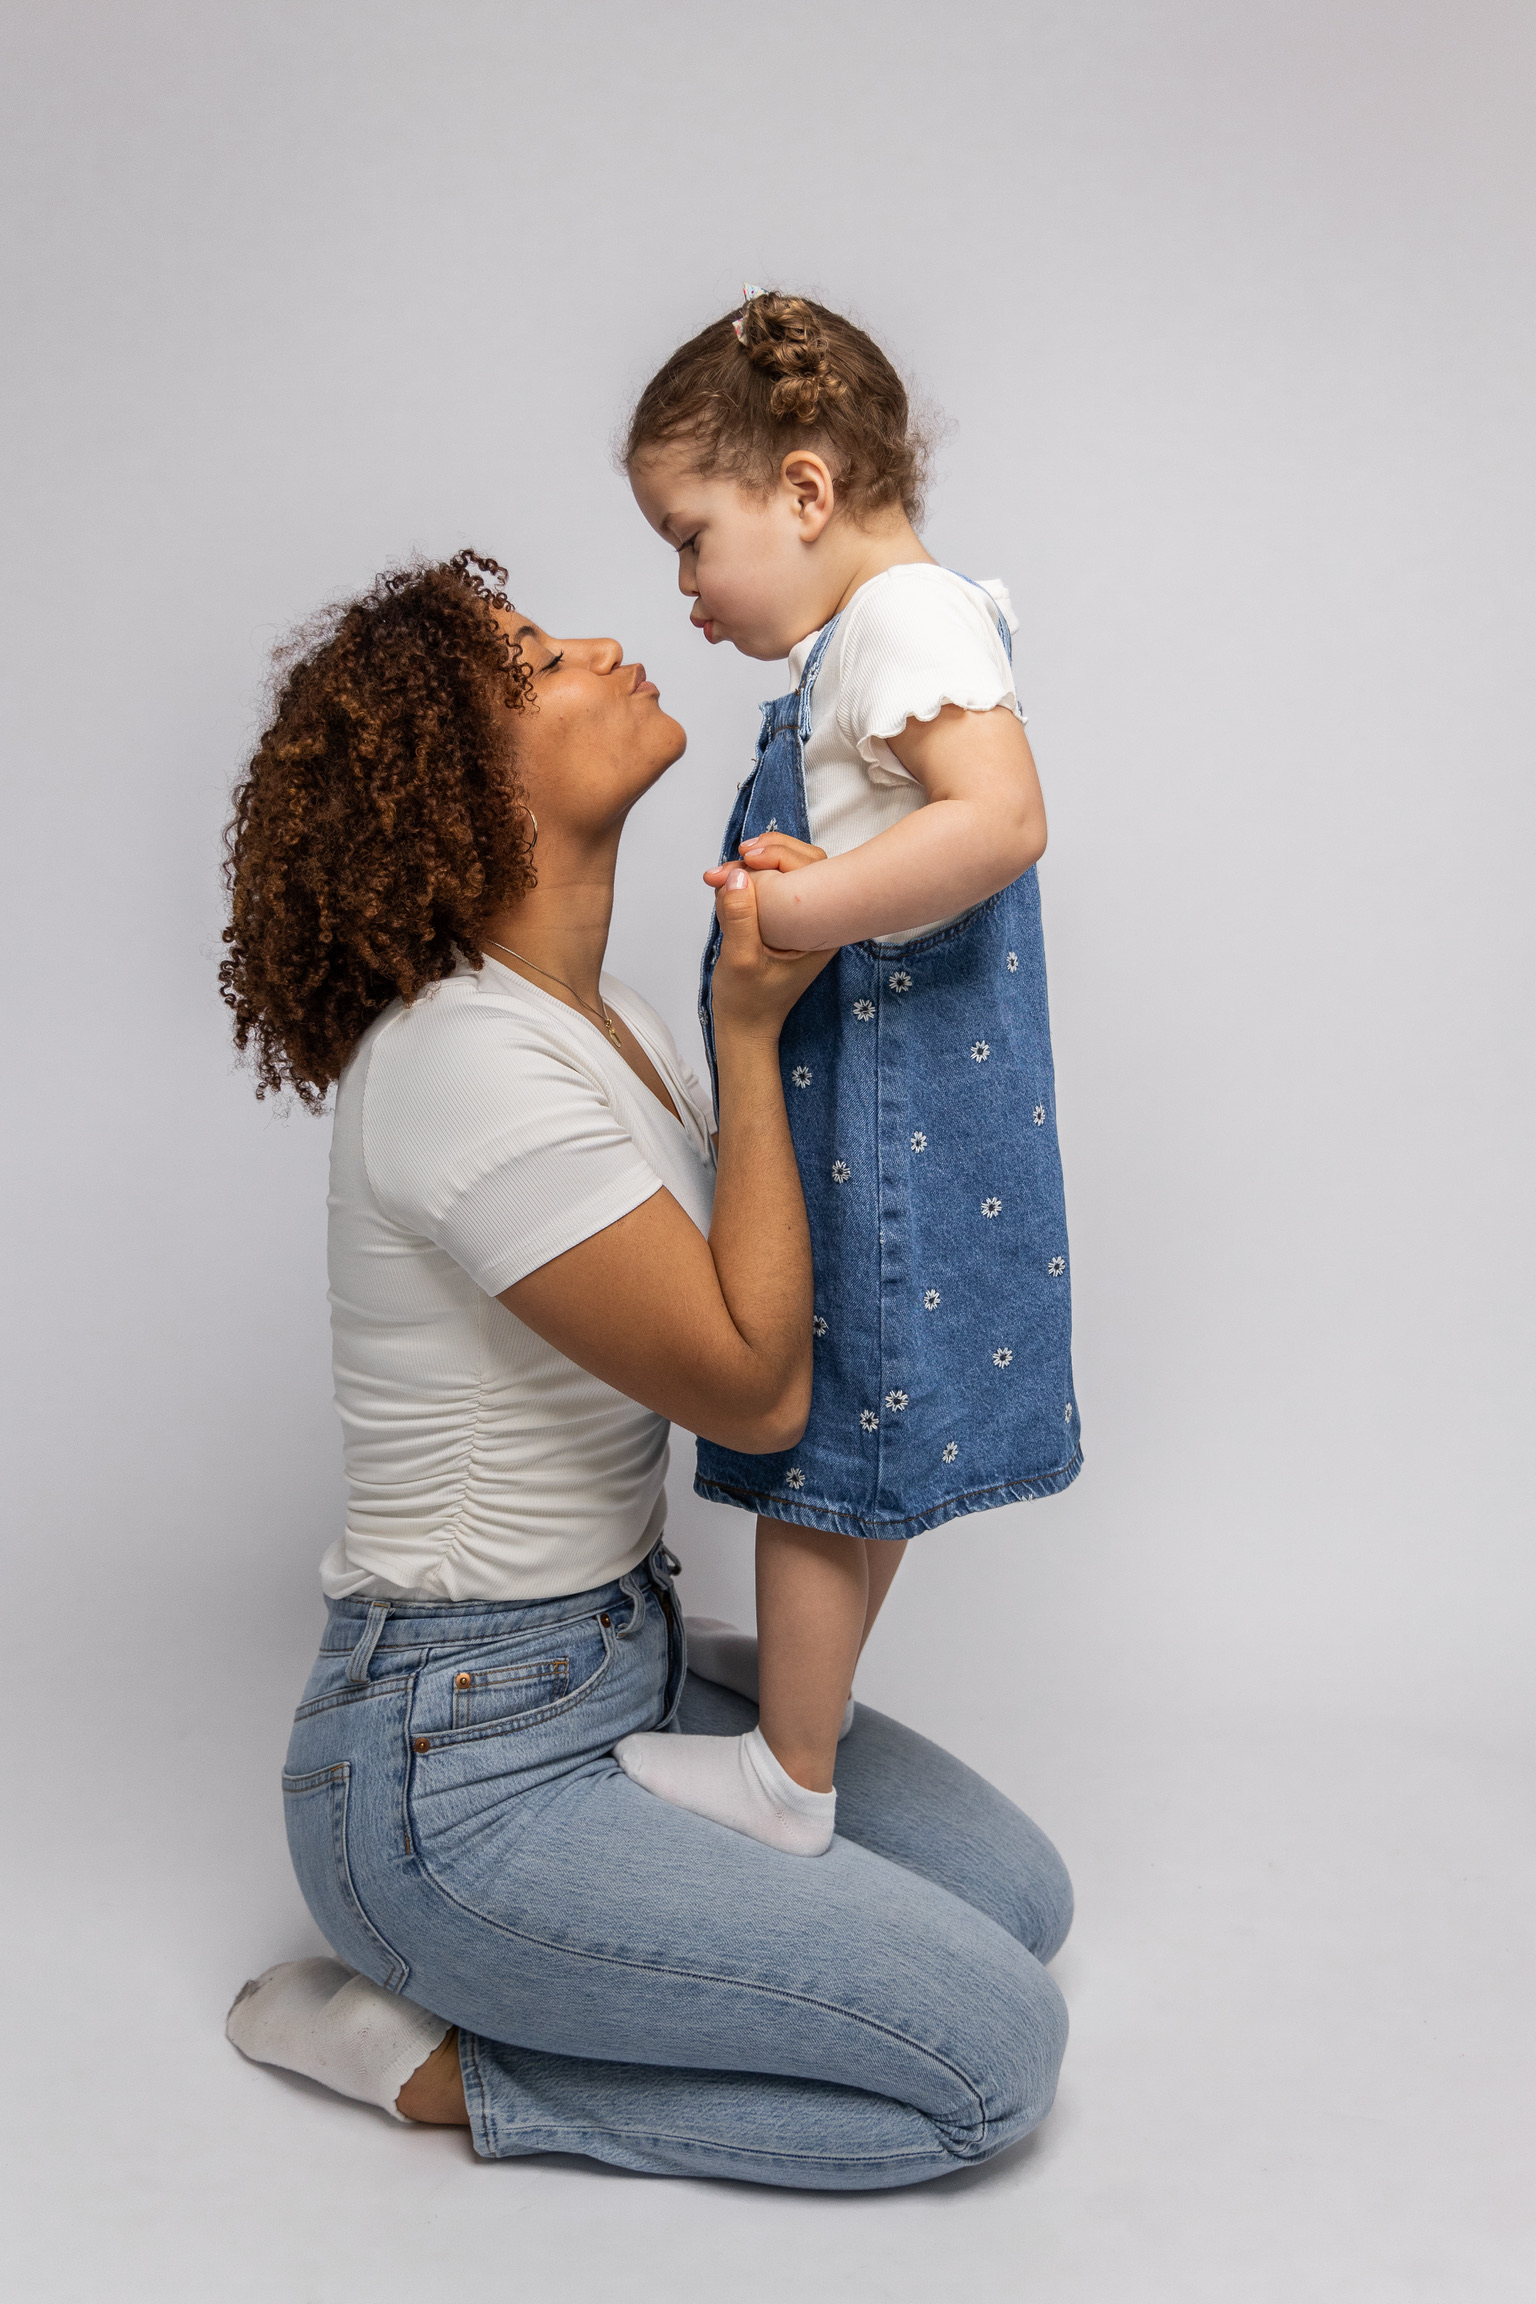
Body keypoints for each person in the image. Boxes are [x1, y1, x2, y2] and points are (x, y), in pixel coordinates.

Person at [219, 548, 1072, 2189]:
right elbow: (755, 1393)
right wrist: (758, 1037)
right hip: (450, 1773)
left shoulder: (608, 1022)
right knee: (990, 2071)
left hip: (626, 1667)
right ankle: (428, 2066)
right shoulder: (461, 1059)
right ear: (457, 786)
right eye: (537, 660)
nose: (604, 644)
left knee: (1018, 1900)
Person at [618, 291, 1081, 1855]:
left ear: (805, 491)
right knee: (859, 1455)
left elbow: (1000, 820)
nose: (680, 582)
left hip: (880, 1136)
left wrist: (798, 907)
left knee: (820, 1451)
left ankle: (786, 1780)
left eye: (692, 535)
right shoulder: (870, 640)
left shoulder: (902, 619)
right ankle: (797, 1746)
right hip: (883, 1121)